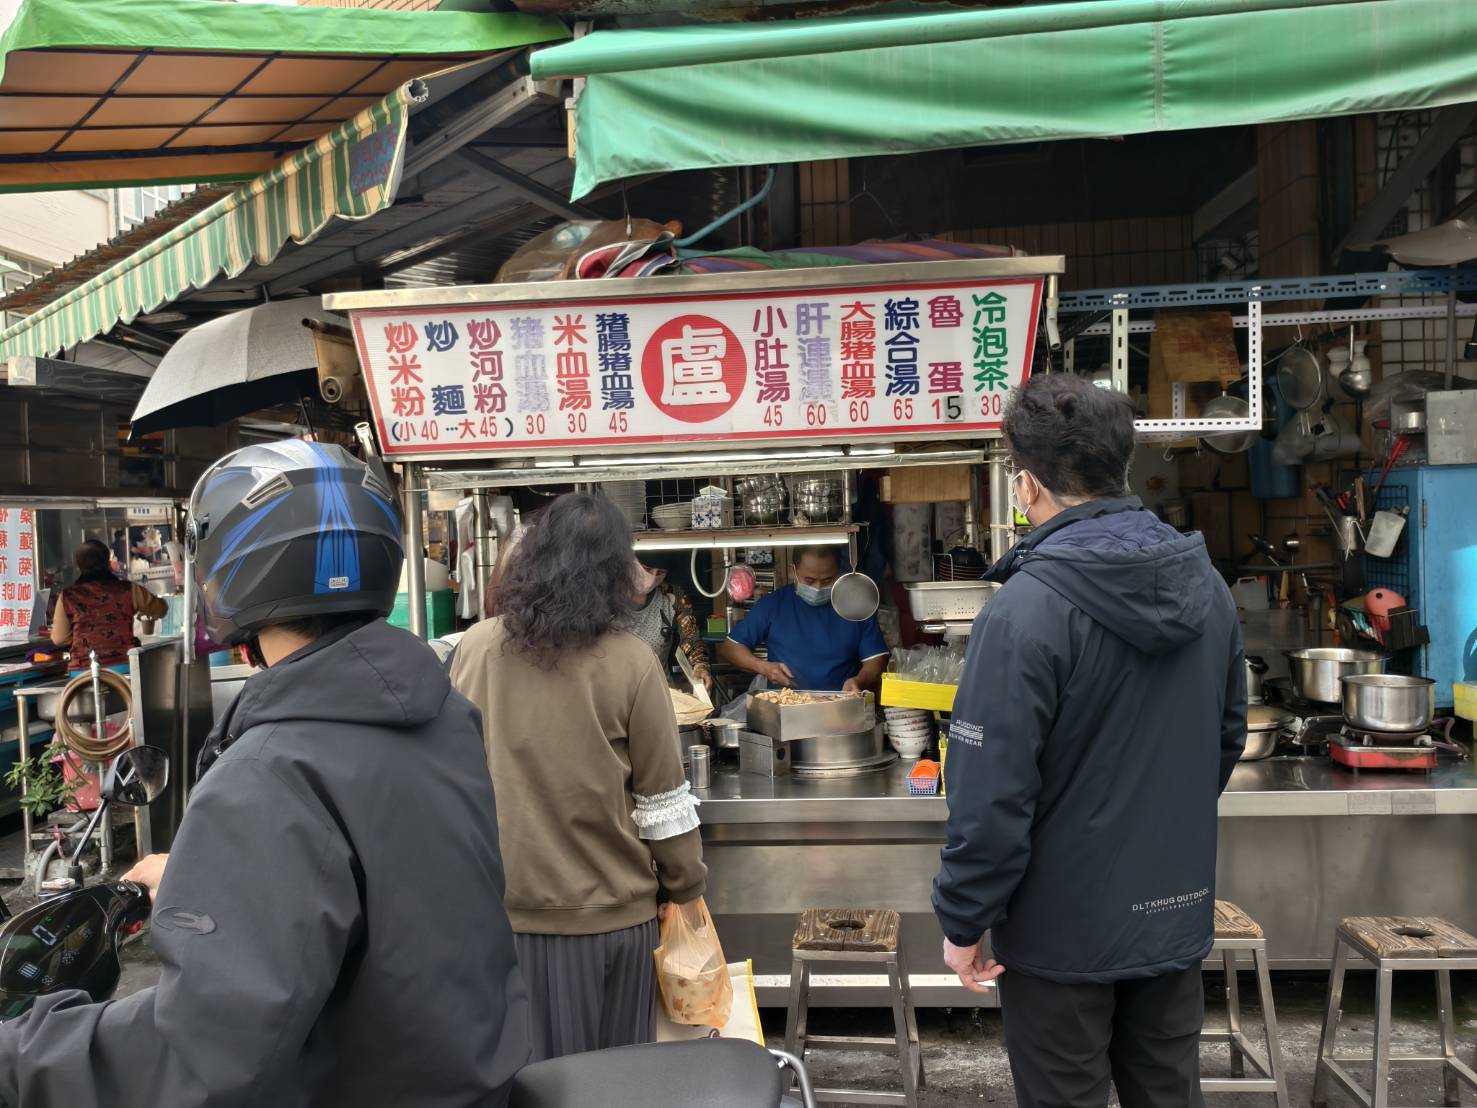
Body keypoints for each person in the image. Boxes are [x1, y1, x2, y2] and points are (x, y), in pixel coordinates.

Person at [0, 441, 529, 1107]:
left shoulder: (270, 772)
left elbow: (201, 1056)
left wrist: (22, 1056)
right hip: (466, 1079)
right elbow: (387, 879)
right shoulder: (437, 714)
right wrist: (214, 876)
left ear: (231, 574)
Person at [932, 374, 1244, 1108]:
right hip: (1172, 908)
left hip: (1056, 932)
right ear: (1119, 465)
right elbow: (1223, 740)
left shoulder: (1022, 611)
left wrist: (964, 917)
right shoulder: (1206, 586)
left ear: (1027, 484)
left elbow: (989, 795)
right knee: (1167, 1092)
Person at [450, 492, 706, 1063]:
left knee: (535, 1082)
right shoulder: (632, 660)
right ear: (615, 572)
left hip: (505, 917)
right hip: (617, 921)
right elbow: (662, 798)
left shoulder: (476, 648)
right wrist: (685, 888)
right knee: (616, 1082)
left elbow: (450, 775)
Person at [718, 545, 888, 693]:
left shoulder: (856, 606)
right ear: (793, 571)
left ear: (839, 572)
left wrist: (859, 680)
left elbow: (875, 660)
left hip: (841, 709)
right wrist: (764, 668)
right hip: (786, 711)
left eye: (828, 580)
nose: (818, 587)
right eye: (810, 580)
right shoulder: (774, 604)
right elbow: (730, 648)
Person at [50, 539, 168, 668]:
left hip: (83, 668)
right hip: (125, 665)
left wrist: (82, 635)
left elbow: (59, 639)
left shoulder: (68, 596)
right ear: (108, 562)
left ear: (79, 565)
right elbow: (160, 609)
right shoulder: (128, 590)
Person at [624, 562, 714, 693]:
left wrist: (700, 666)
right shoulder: (601, 598)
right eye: (647, 569)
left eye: (660, 572)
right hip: (615, 697)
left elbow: (691, 639)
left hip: (661, 694)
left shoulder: (672, 596)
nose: (652, 577)